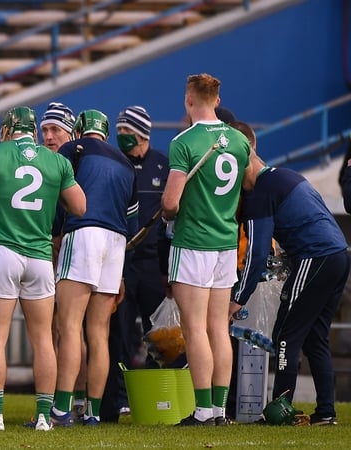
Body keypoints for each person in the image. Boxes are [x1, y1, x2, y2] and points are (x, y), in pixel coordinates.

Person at [0, 106, 86, 431]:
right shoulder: (56, 161)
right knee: (43, 338)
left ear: (6, 129)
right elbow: (80, 206)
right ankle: (44, 416)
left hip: (3, 252)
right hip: (39, 256)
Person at [231, 121, 348, 426]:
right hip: (338, 255)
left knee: (286, 333)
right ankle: (326, 412)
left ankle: (280, 411)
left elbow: (257, 253)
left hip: (316, 256)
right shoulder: (285, 176)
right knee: (315, 337)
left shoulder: (260, 193)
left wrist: (238, 298)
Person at [160, 73, 251, 426]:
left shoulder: (184, 141)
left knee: (195, 328)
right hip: (226, 243)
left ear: (188, 100)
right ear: (217, 99)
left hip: (194, 243)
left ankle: (202, 412)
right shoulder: (238, 140)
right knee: (218, 327)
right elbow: (247, 182)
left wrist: (170, 210)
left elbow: (170, 203)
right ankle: (219, 410)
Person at [52, 110, 138, 426]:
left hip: (83, 233)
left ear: (78, 130)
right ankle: (93, 412)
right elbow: (133, 223)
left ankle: (61, 409)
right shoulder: (126, 163)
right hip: (116, 243)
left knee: (70, 327)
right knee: (99, 333)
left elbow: (58, 198)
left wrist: (56, 232)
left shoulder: (72, 150)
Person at [102, 105, 169, 420]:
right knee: (120, 333)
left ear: (142, 132)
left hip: (154, 264)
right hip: (122, 264)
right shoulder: (116, 164)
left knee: (160, 334)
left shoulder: (164, 165)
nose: (122, 136)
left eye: (127, 131)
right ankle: (119, 398)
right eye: (119, 131)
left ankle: (156, 394)